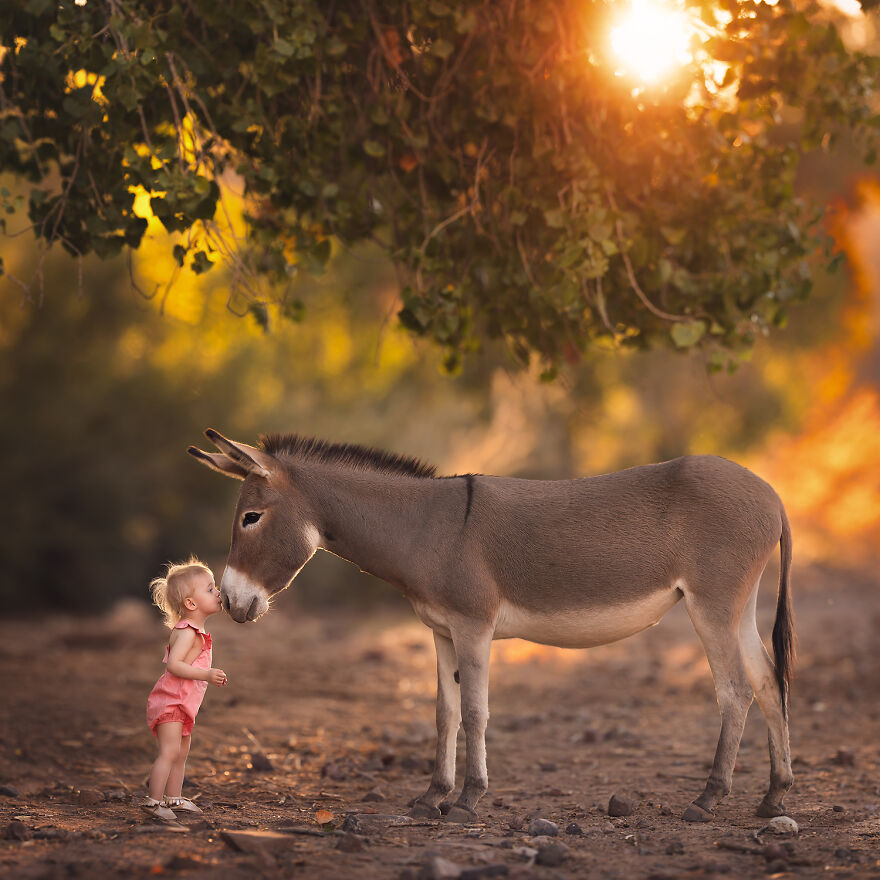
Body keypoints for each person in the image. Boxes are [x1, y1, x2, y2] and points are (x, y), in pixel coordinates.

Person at [142, 558, 227, 821]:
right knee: (169, 753)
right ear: (191, 604)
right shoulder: (188, 632)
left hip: (182, 704)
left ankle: (174, 798)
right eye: (210, 589)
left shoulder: (196, 631)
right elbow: (175, 665)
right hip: (170, 702)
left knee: (180, 754)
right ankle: (153, 802)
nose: (218, 592)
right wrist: (206, 674)